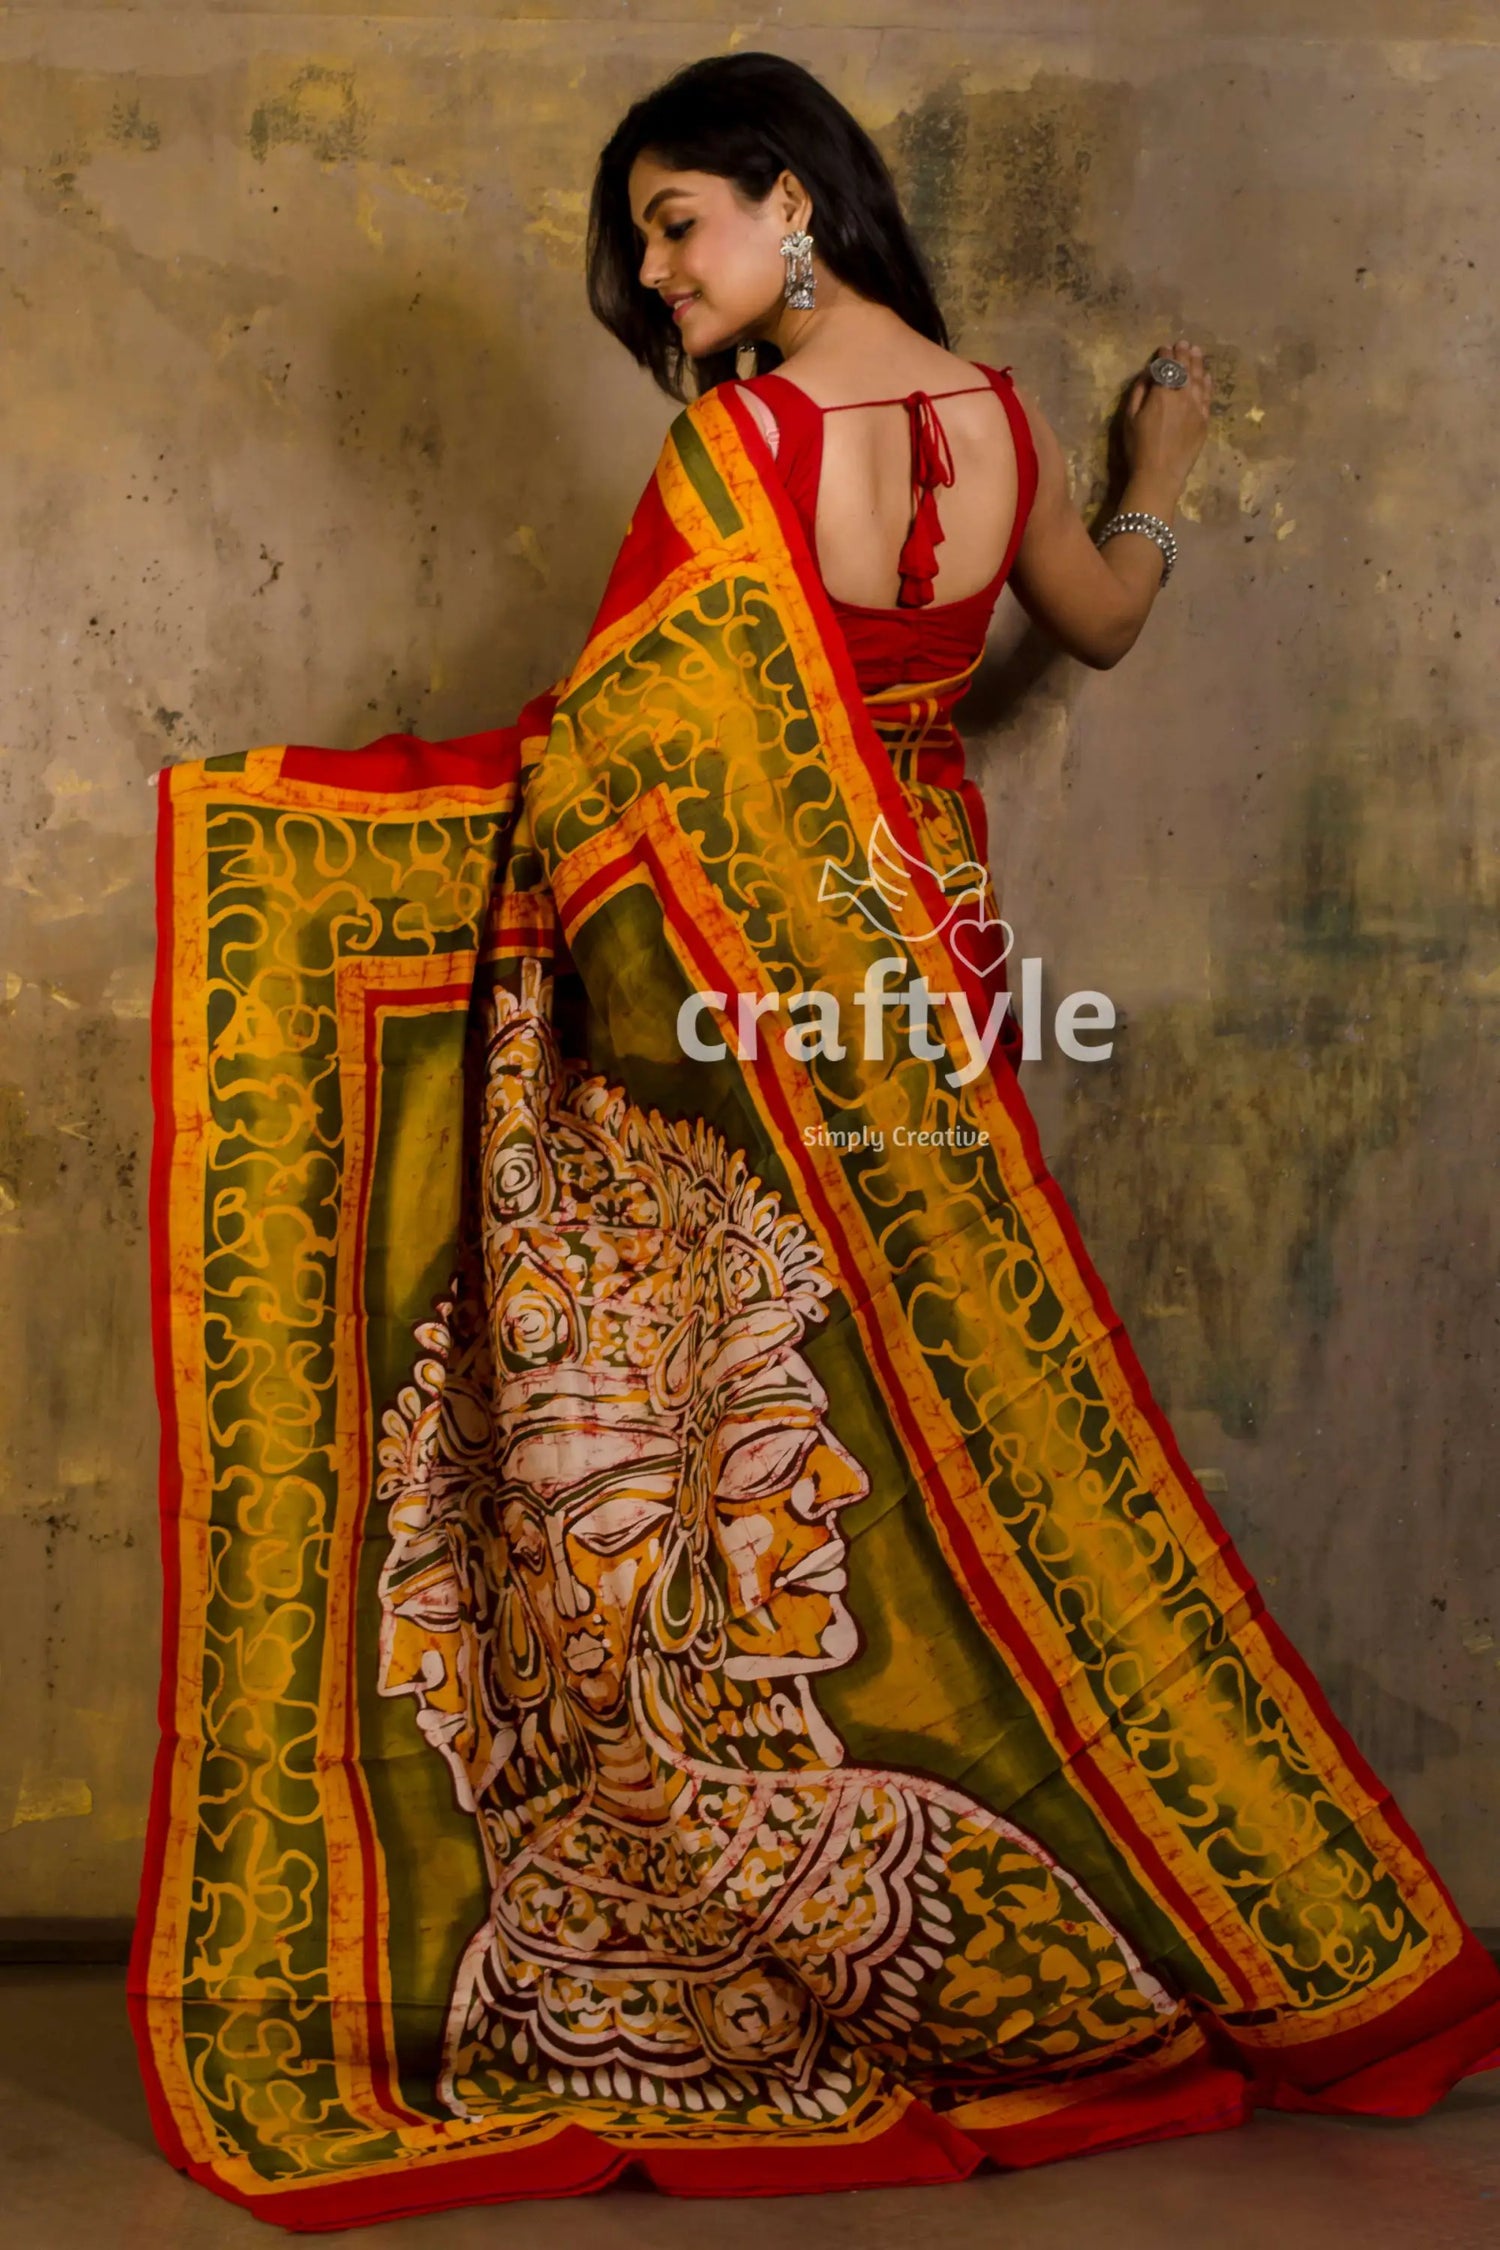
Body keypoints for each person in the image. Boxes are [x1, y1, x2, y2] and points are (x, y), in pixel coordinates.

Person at [132, 51, 1500, 2230]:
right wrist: (1156, 472)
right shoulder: (995, 414)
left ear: (793, 199)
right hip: (932, 951)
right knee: (942, 1418)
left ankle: (768, 1942)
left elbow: (609, 768)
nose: (657, 275)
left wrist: (386, 837)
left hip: (753, 977)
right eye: (648, 244)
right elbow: (1107, 623)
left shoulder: (746, 454)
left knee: (779, 1425)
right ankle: (1013, 1917)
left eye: (677, 224)